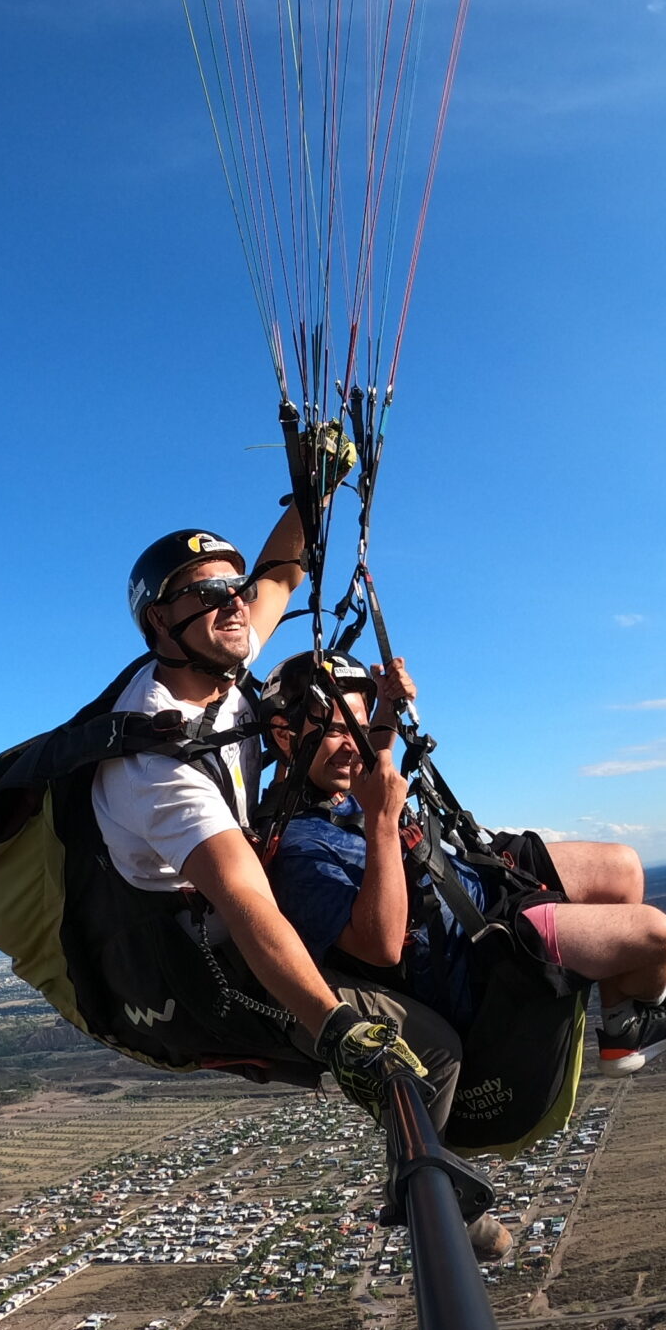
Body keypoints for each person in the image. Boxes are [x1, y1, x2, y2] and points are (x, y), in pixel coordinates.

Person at [91, 511, 511, 1257]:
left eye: (232, 587)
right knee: (433, 1048)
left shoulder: (212, 655)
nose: (233, 602)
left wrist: (311, 487)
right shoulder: (156, 763)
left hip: (251, 917)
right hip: (220, 967)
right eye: (208, 591)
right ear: (161, 620)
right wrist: (333, 1025)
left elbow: (282, 573)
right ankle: (429, 1204)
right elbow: (245, 901)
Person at [258, 651, 666, 1075]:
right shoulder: (297, 846)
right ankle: (630, 1012)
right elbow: (380, 947)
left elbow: (365, 748)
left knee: (623, 866)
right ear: (284, 735)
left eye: (354, 727)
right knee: (656, 936)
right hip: (475, 949)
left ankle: (622, 1026)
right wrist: (382, 820)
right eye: (335, 731)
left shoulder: (335, 791)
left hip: (476, 884)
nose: (353, 747)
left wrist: (387, 711)